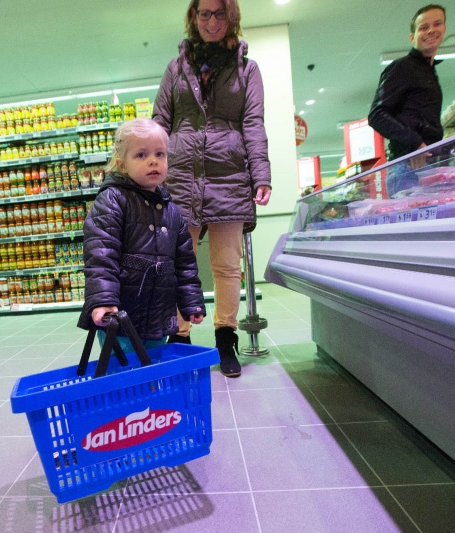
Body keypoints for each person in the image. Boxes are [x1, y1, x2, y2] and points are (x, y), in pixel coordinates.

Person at [153, 0, 271, 377]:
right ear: (194, 18)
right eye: (204, 14)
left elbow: (252, 122)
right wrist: (152, 168)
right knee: (176, 263)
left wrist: (262, 173)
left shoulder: (247, 69)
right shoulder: (176, 68)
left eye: (219, 13)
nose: (212, 21)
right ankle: (181, 337)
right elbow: (161, 120)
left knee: (226, 265)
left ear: (231, 16)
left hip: (230, 175)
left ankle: (225, 338)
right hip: (181, 175)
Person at [77, 118, 205, 356]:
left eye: (160, 154)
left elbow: (185, 263)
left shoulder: (172, 210)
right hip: (120, 314)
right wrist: (104, 299)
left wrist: (191, 302)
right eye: (141, 155)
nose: (153, 161)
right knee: (123, 370)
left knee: (151, 368)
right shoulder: (112, 200)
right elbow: (101, 255)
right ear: (122, 164)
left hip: (157, 313)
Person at [368, 4, 446, 190]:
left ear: (444, 29)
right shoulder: (402, 68)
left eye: (437, 24)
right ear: (412, 37)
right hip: (409, 167)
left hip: (423, 164)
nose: (431, 30)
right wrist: (415, 143)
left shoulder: (428, 71)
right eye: (424, 27)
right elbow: (376, 115)